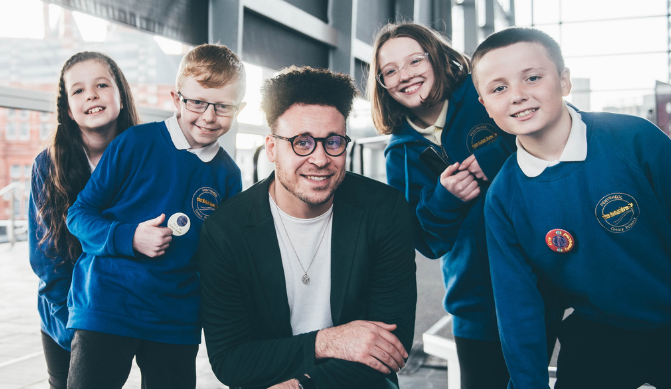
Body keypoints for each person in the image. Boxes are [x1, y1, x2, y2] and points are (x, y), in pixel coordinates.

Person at [474, 27, 671, 389]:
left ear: (564, 81)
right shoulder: (504, 197)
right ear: (484, 104)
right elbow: (518, 304)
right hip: (599, 331)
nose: (517, 96)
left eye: (532, 78)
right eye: (498, 88)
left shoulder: (635, 140)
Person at [198, 66, 417, 389]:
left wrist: (302, 385)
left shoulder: (384, 211)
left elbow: (390, 349)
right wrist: (326, 341)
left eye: (333, 142)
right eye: (301, 142)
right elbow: (230, 360)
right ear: (272, 148)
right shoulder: (225, 231)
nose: (319, 159)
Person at [64, 43, 245, 389]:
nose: (208, 116)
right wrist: (129, 236)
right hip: (108, 309)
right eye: (197, 102)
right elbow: (79, 214)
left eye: (223, 106)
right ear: (177, 98)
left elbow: (223, 256)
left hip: (175, 321)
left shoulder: (229, 176)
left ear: (240, 108)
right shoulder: (134, 143)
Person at [368, 22, 516, 388]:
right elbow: (426, 241)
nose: (405, 75)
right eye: (390, 71)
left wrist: (494, 156)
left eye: (414, 60)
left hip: (538, 285)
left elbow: (549, 120)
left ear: (435, 58)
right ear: (383, 85)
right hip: (475, 304)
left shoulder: (482, 93)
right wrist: (446, 199)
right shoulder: (400, 153)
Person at [28, 51, 140, 389]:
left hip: (129, 307)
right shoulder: (48, 165)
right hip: (65, 313)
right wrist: (73, 323)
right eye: (77, 90)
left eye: (101, 84)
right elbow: (46, 258)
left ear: (121, 93)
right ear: (67, 108)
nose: (90, 94)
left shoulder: (147, 156)